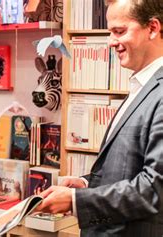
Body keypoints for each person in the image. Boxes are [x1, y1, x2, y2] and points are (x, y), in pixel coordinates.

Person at [36, 0, 163, 235]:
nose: (112, 41)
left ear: (153, 28)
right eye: (110, 32)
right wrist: (86, 184)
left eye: (120, 31)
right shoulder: (142, 86)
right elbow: (127, 169)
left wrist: (76, 200)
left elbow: (155, 189)